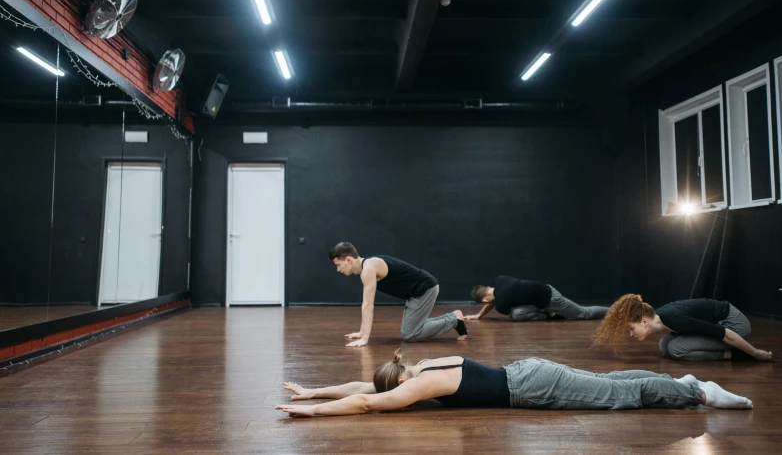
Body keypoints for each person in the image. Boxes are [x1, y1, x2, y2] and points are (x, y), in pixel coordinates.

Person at [275, 350, 753, 417]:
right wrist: (315, 390)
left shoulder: (417, 387)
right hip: (528, 370)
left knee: (617, 396)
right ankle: (683, 380)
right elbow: (366, 385)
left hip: (532, 389)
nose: (393, 394)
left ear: (396, 383)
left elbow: (364, 401)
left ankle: (699, 392)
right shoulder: (420, 367)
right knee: (609, 381)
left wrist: (311, 412)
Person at [329, 242, 467, 347]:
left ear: (348, 260)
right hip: (415, 293)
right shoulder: (368, 267)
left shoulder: (368, 269)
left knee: (410, 334)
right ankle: (454, 317)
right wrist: (361, 332)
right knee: (412, 330)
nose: (337, 270)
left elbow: (368, 305)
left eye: (338, 264)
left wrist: (364, 338)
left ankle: (454, 321)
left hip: (424, 289)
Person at [593, 294, 773, 362]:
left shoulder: (678, 320)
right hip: (719, 324)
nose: (631, 334)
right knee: (664, 346)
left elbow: (727, 335)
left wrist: (756, 353)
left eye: (631, 328)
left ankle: (734, 355)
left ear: (644, 322)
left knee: (675, 348)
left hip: (734, 325)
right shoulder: (662, 317)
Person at [465, 275, 609, 322]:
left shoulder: (501, 304)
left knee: (583, 313)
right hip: (542, 293)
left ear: (484, 300)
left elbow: (494, 303)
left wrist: (478, 315)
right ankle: (547, 313)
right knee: (517, 313)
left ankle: (617, 310)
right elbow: (493, 301)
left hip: (551, 299)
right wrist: (479, 315)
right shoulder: (499, 280)